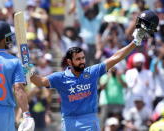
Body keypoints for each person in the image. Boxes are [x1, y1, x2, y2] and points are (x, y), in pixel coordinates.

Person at [28, 10, 159, 131]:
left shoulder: (91, 72)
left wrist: (135, 42)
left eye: (83, 58)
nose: (82, 61)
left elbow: (115, 57)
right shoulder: (60, 77)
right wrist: (28, 72)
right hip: (70, 122)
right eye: (78, 59)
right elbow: (39, 82)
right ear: (69, 62)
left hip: (90, 120)